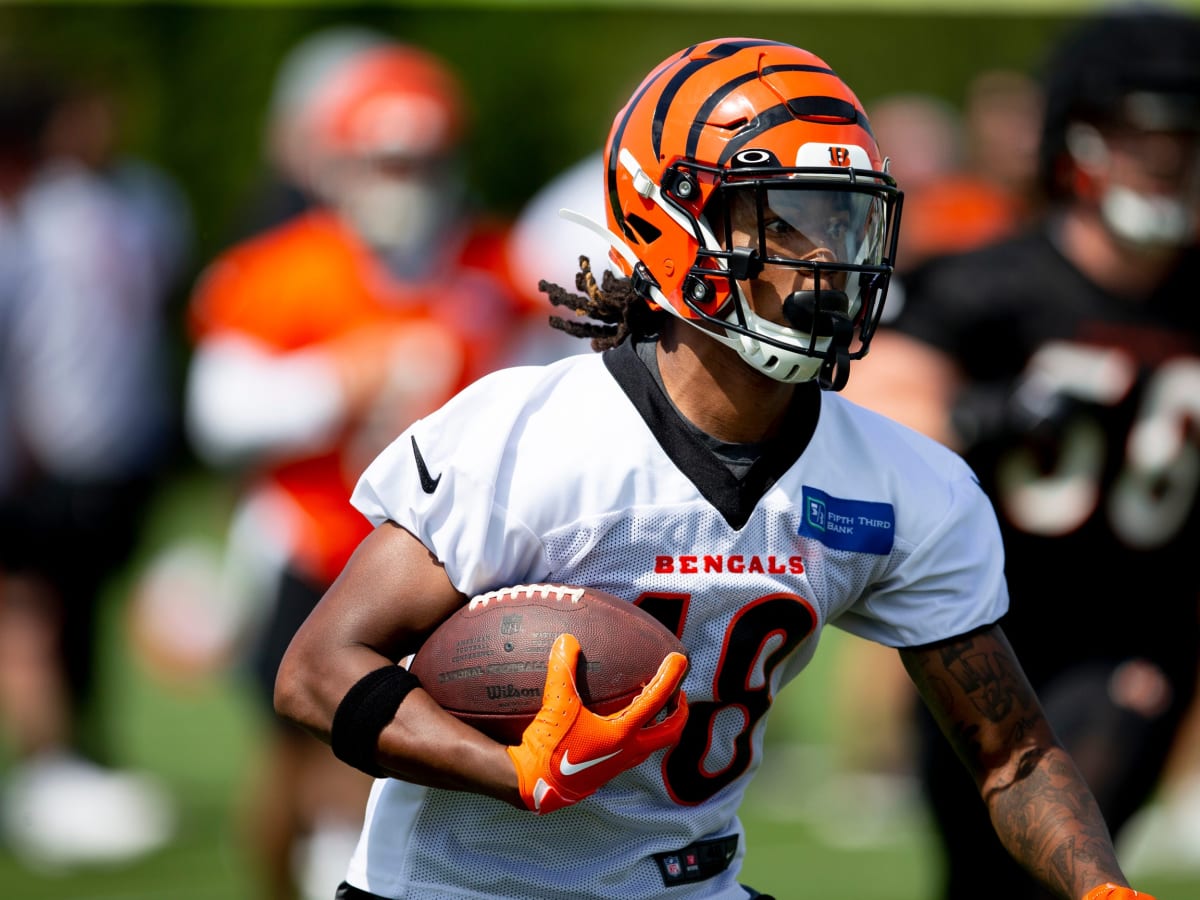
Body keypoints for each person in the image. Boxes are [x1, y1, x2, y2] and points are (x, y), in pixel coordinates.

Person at [274, 37, 1155, 900]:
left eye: (845, 222)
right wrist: (512, 767)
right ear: (670, 224)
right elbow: (318, 669)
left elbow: (1014, 754)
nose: (828, 263)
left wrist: (1100, 888)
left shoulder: (899, 482)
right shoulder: (531, 436)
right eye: (786, 220)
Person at [841, 6, 1200, 899]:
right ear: (1077, 137)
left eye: (1185, 138)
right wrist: (980, 413)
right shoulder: (992, 283)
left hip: (1136, 633)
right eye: (1141, 135)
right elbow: (877, 408)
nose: (1165, 161)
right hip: (986, 628)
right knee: (979, 875)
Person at [184, 37, 522, 900]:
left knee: (378, 772)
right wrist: (339, 379)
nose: (402, 184)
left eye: (420, 162)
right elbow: (216, 414)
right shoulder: (282, 268)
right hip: (312, 546)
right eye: (383, 162)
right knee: (301, 764)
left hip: (445, 565)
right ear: (336, 162)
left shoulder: (495, 267)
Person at [0, 68, 183, 871]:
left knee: (73, 614)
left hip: (110, 448)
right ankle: (51, 770)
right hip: (35, 457)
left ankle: (72, 760)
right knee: (27, 615)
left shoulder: (140, 202)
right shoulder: (28, 216)